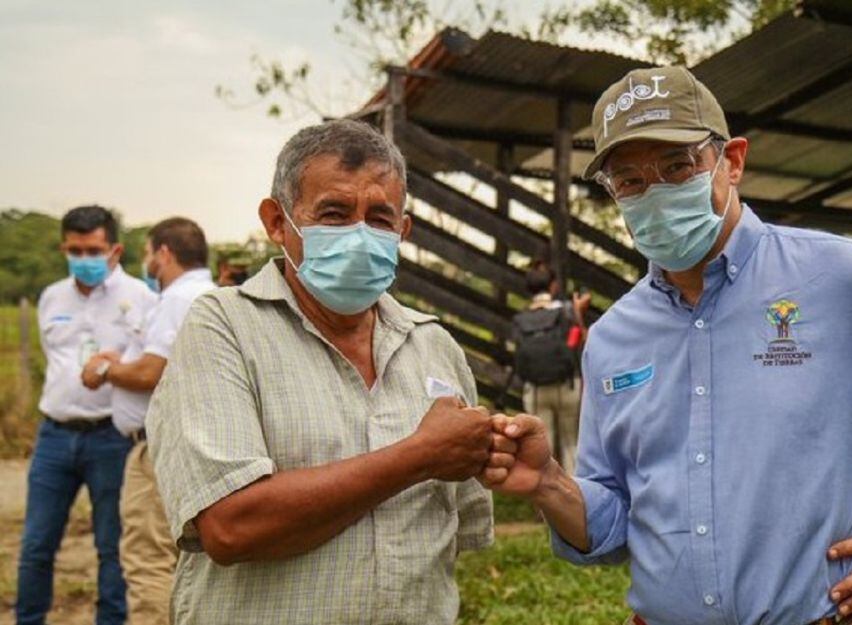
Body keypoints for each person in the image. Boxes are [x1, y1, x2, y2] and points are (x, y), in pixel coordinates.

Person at [482, 67, 852, 625]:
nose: (656, 194)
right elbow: (613, 523)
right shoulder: (612, 338)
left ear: (733, 161)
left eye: (677, 167)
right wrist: (549, 482)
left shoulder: (847, 278)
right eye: (629, 180)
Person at [146, 119, 496, 625]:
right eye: (334, 214)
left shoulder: (432, 345)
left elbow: (449, 528)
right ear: (277, 222)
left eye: (379, 218)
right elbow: (230, 527)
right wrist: (419, 456)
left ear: (403, 231)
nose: (359, 235)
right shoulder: (223, 327)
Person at [16, 205, 157, 625]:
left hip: (111, 437)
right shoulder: (51, 297)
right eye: (75, 251)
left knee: (111, 547)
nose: (84, 259)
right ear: (64, 248)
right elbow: (54, 358)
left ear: (114, 250)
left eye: (93, 251)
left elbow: (150, 364)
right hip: (54, 436)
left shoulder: (141, 298)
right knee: (36, 545)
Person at [80, 217, 216, 624]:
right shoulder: (211, 295)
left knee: (149, 560)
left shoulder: (177, 299)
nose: (146, 262)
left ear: (164, 253)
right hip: (193, 439)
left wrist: (105, 370)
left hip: (157, 447)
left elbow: (151, 372)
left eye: (147, 253)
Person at [511, 260, 590, 473]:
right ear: (553, 286)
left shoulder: (521, 319)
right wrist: (578, 312)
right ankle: (576, 490)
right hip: (567, 385)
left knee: (543, 448)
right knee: (572, 444)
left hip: (535, 389)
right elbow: (583, 342)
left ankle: (545, 493)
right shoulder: (566, 311)